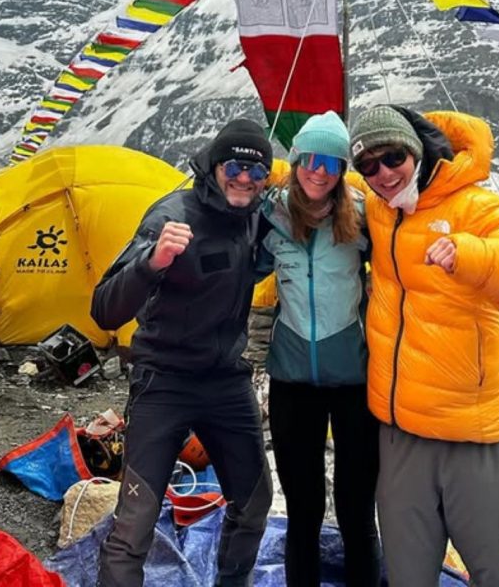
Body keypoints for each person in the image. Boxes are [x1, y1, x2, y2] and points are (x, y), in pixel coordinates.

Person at [349, 105, 499, 587]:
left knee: (487, 568)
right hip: (401, 427)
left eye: (394, 157)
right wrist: (250, 168)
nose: (383, 173)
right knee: (406, 570)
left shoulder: (478, 209)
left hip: (473, 427)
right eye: (369, 164)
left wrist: (477, 257)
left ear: (417, 151)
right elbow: (314, 177)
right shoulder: (379, 206)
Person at [91, 118, 274, 587]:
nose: (245, 179)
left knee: (254, 502)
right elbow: (105, 309)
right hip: (164, 379)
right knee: (137, 518)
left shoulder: (259, 216)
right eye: (235, 167)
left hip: (226, 381)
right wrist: (151, 263)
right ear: (214, 166)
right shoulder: (171, 215)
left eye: (257, 172)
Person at [257, 111, 381, 587]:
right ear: (295, 160)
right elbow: (237, 266)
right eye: (311, 158)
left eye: (332, 162)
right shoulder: (269, 214)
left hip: (354, 381)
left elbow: (399, 266)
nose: (320, 171)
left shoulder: (363, 214)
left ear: (343, 169)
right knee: (303, 509)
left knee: (356, 509)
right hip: (292, 382)